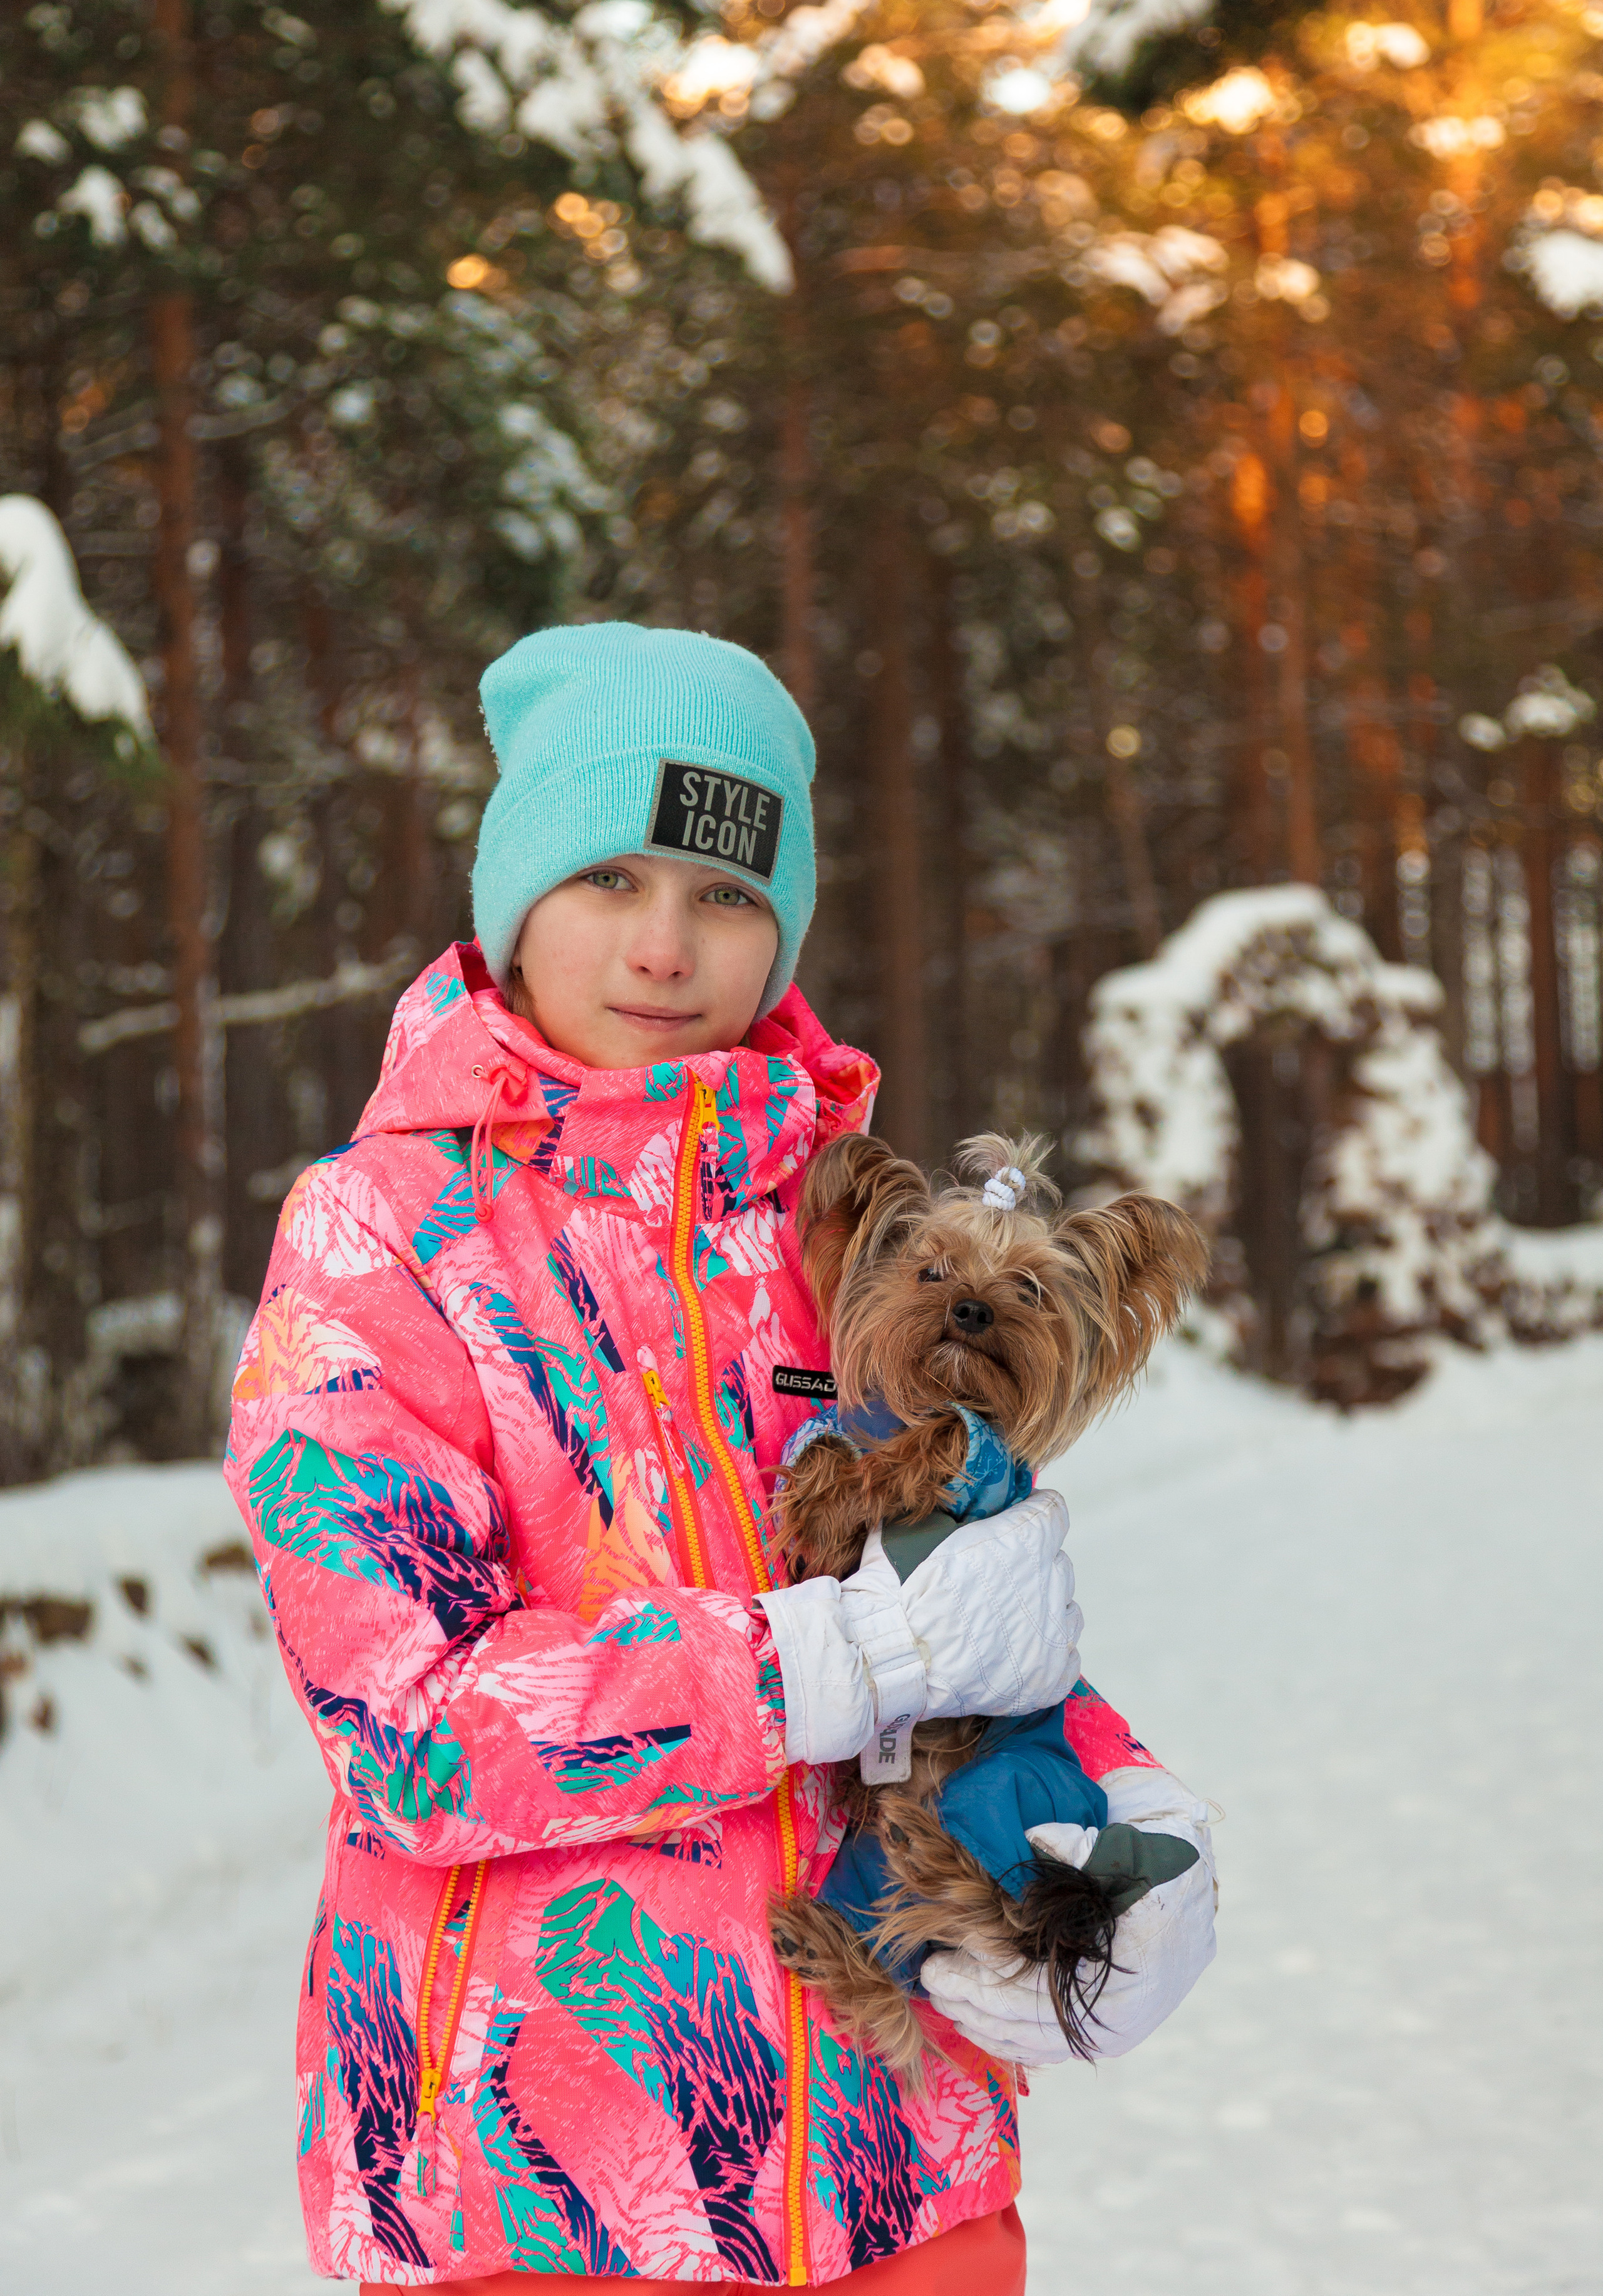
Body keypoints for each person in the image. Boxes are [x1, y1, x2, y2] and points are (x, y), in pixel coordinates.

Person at [227, 622, 1217, 2293]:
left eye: (729, 895)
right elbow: (406, 1732)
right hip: (548, 2195)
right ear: (516, 893)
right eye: (611, 878)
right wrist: (798, 1668)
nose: (668, 947)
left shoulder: (850, 1226)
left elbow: (955, 1596)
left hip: (907, 2173)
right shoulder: (381, 1237)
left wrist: (1121, 1803)